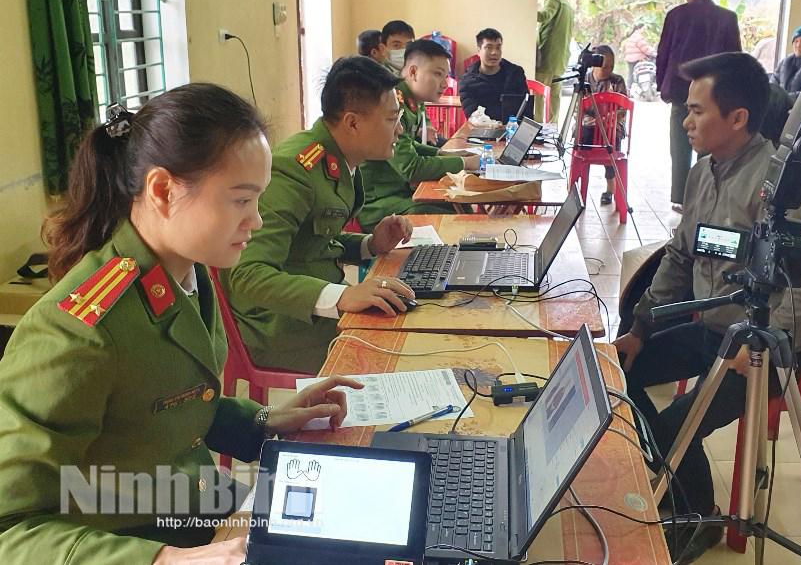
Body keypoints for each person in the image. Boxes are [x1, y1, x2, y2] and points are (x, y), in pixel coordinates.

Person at [0, 83, 363, 563]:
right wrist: (161, 559)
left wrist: (265, 421)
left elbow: (170, 406)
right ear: (164, 191)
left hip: (194, 506)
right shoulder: (79, 330)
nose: (256, 221)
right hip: (131, 537)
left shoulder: (188, 272)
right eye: (240, 200)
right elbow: (10, 527)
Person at [612, 52, 801, 564]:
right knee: (618, 373)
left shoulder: (778, 187)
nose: (686, 120)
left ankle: (701, 517)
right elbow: (678, 256)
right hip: (714, 329)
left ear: (737, 118)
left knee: (676, 422)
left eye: (697, 110)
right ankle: (677, 483)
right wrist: (641, 327)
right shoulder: (701, 174)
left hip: (767, 351)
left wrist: (763, 340)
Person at [222, 57, 416, 373]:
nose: (401, 129)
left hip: (313, 306)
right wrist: (342, 296)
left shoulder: (340, 158)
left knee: (409, 320)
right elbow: (247, 274)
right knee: (399, 352)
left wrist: (371, 244)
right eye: (393, 118)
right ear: (353, 123)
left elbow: (311, 240)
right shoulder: (295, 168)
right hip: (278, 323)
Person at [359, 39, 481, 231]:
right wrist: (464, 163)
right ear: (414, 72)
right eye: (437, 74)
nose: (444, 83)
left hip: (400, 192)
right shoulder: (393, 104)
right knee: (456, 219)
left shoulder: (412, 100)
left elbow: (411, 146)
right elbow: (411, 167)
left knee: (461, 203)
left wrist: (447, 155)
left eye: (446, 76)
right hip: (380, 203)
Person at [656, 0, 741, 213]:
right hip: (714, 95)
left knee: (680, 146)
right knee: (708, 145)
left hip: (681, 92)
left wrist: (662, 85)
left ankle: (681, 198)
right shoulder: (727, 18)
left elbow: (663, 53)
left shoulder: (676, 16)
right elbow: (735, 59)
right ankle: (705, 198)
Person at [580, 44, 627, 205]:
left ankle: (610, 188)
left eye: (611, 66)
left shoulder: (617, 81)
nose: (608, 69)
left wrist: (610, 118)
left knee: (613, 141)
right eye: (604, 66)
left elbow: (623, 109)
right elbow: (577, 109)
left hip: (612, 126)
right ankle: (578, 181)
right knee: (582, 137)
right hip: (588, 126)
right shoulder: (584, 80)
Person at [459, 27, 531, 121]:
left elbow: (526, 108)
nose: (494, 52)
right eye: (488, 47)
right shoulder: (467, 81)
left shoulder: (515, 73)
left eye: (498, 47)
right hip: (483, 131)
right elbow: (473, 116)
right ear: (479, 50)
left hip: (513, 129)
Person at [536, 0, 574, 125]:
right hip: (560, 59)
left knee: (538, 94)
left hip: (548, 57)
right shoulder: (568, 6)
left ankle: (535, 127)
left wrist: (526, 10)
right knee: (555, 97)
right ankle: (552, 127)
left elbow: (545, 16)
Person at [621, 23, 656, 88]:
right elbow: (645, 49)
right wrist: (653, 53)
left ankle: (628, 88)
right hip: (637, 59)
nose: (644, 30)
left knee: (631, 74)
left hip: (629, 59)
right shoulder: (638, 37)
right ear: (639, 29)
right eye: (643, 29)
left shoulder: (632, 37)